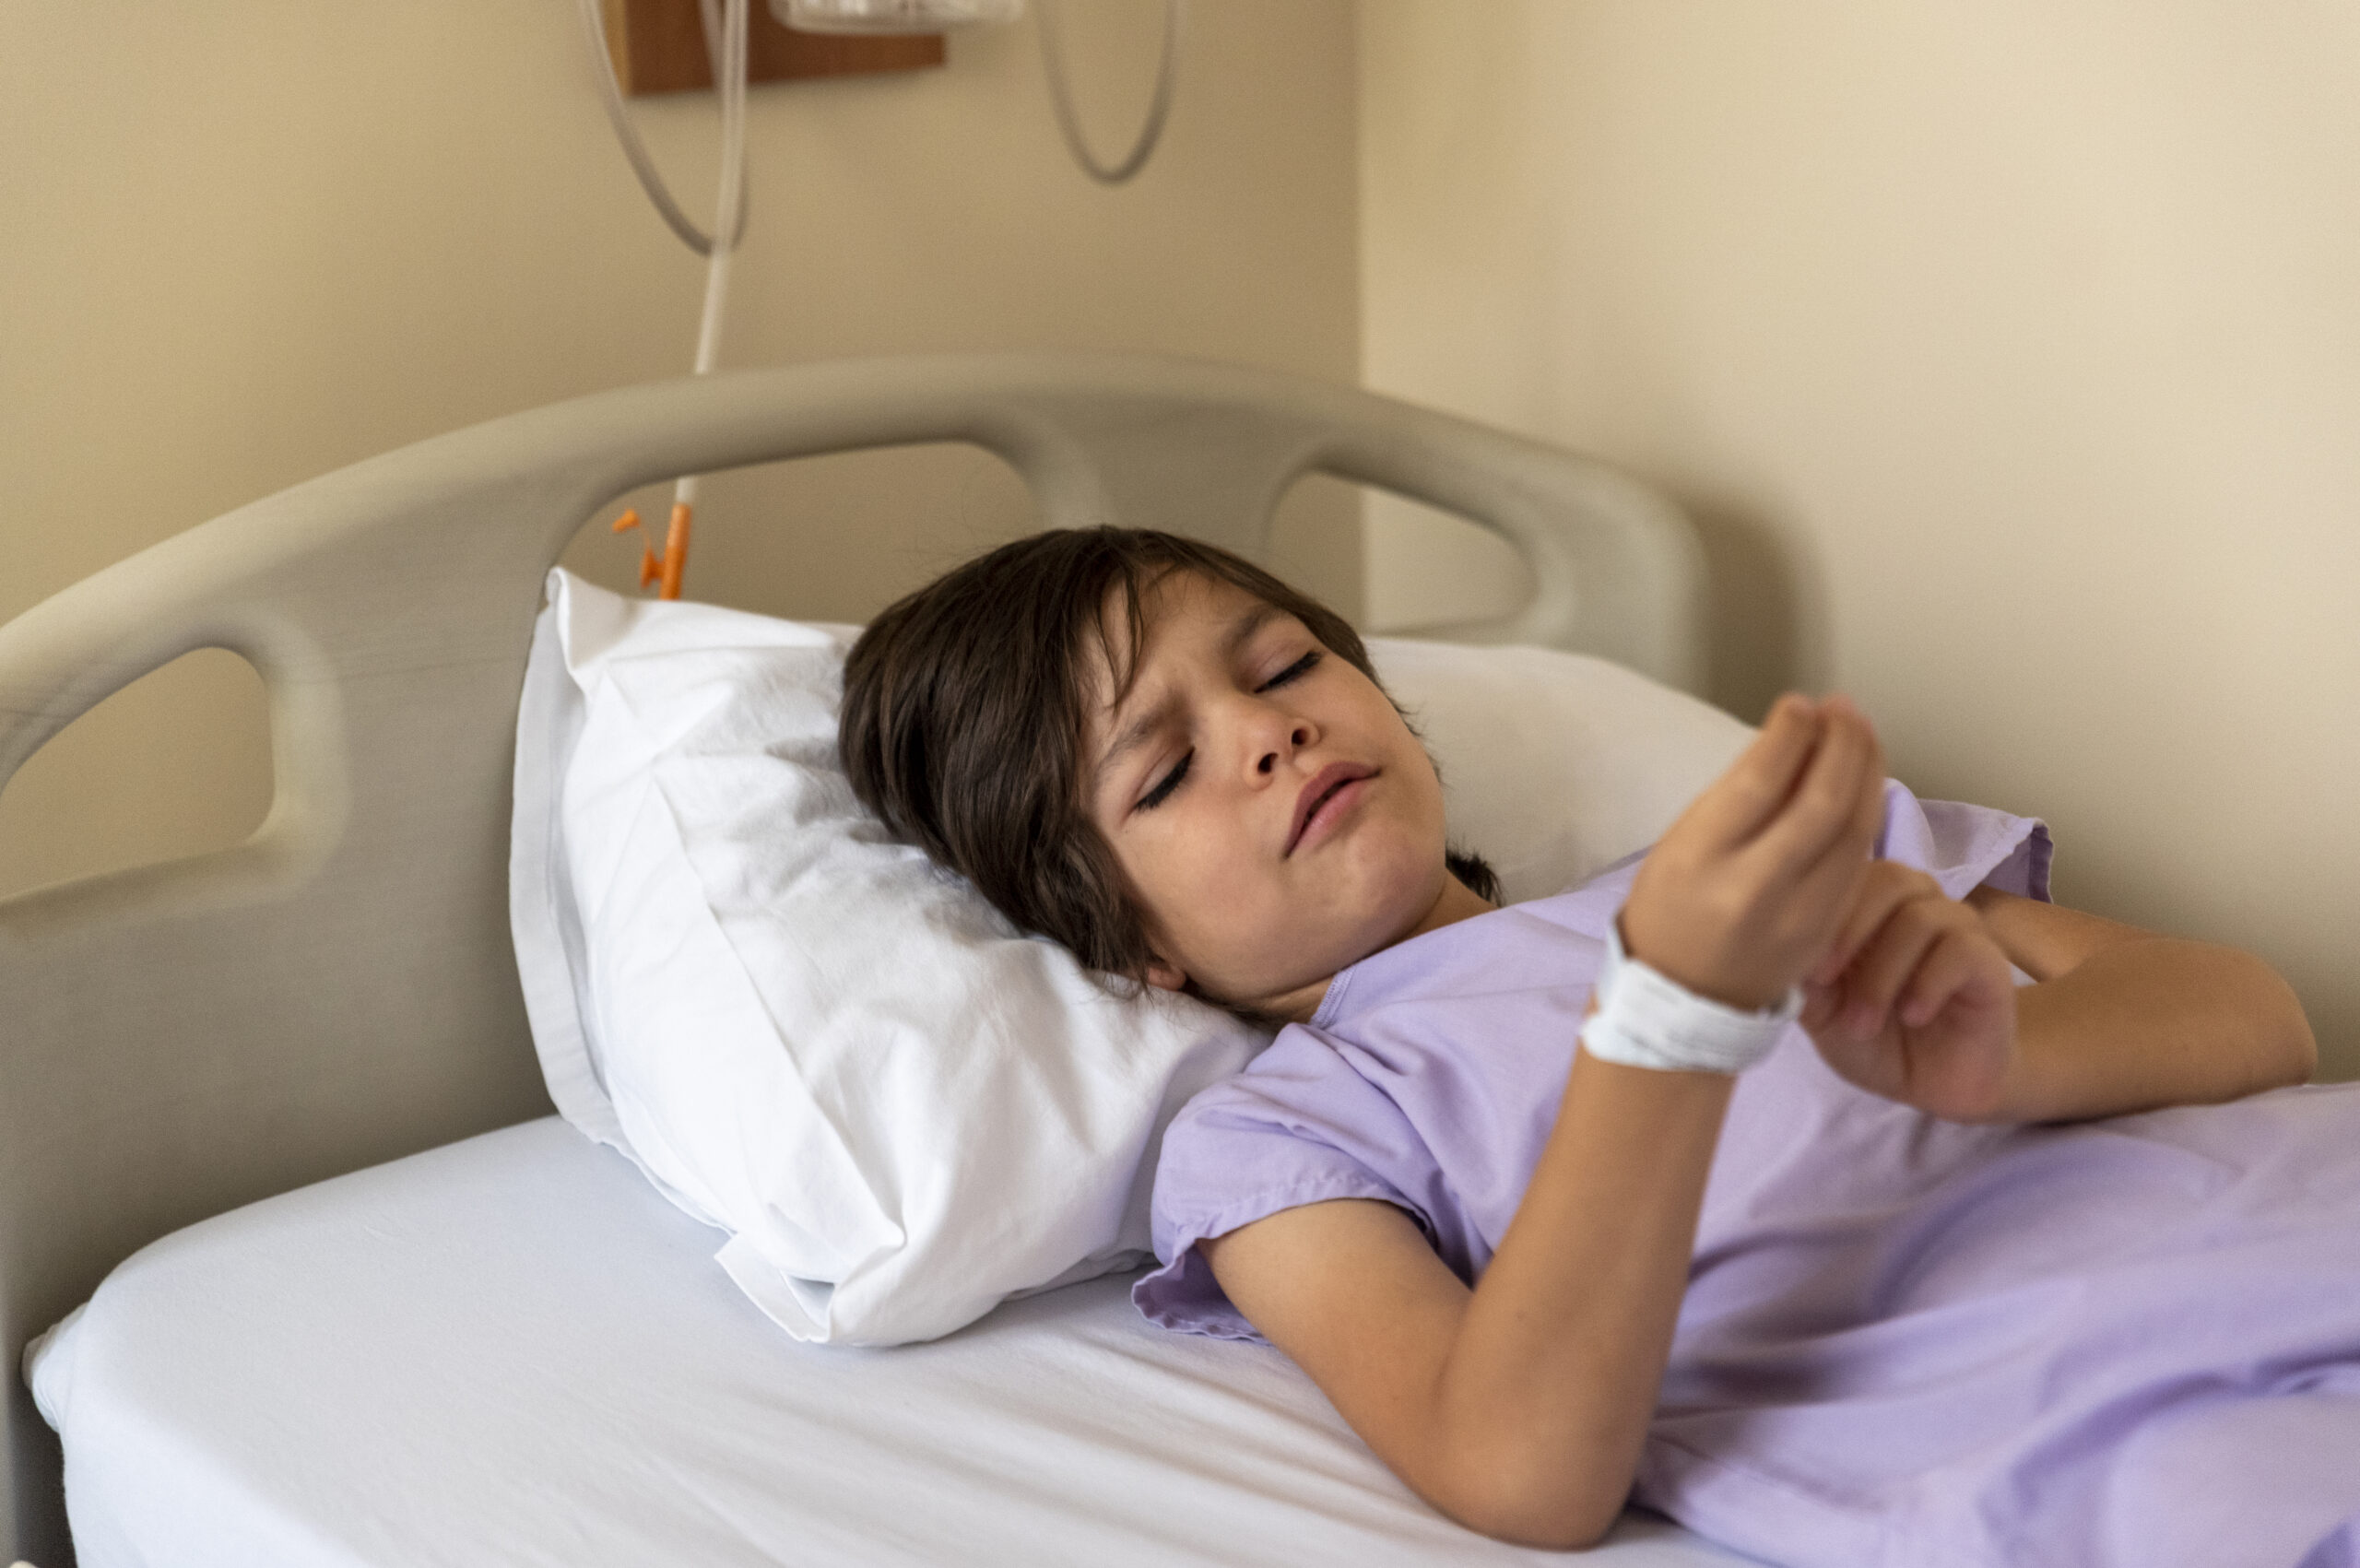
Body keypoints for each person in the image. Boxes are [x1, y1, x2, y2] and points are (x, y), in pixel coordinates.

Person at [842, 526, 2347, 1566]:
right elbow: (1512, 1464)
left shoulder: (1753, 864)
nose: (1266, 731)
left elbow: (2258, 1023)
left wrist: (2002, 1061)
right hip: (2085, 1410)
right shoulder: (1287, 1134)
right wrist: (1670, 1016)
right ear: (1131, 945)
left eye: (1286, 665)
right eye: (1167, 767)